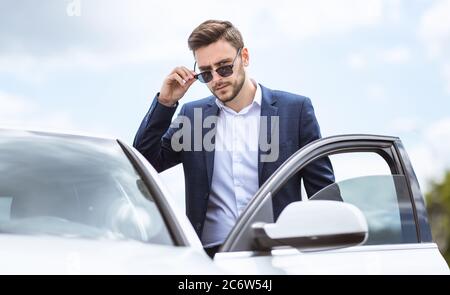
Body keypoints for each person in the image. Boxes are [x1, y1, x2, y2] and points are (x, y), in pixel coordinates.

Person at [133, 20, 335, 258]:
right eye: (206, 74)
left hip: (280, 256)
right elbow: (143, 163)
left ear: (245, 57)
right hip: (210, 260)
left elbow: (325, 195)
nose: (217, 78)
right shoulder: (193, 117)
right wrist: (165, 103)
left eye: (225, 67)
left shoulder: (296, 110)